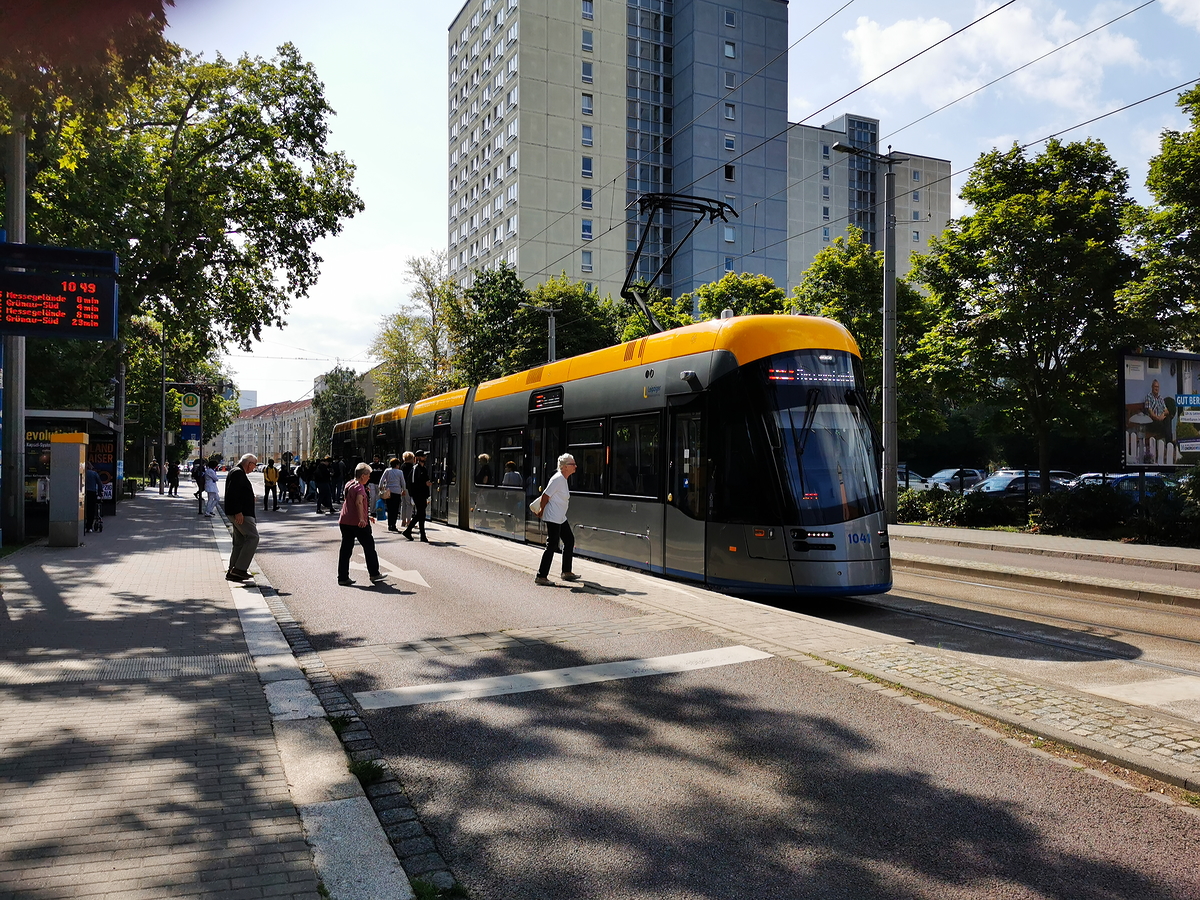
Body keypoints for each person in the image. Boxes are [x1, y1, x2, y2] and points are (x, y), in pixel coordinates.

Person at [534, 453, 579, 585]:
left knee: (569, 540)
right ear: (564, 467)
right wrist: (541, 511)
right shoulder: (558, 479)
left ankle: (566, 572)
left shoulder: (563, 479)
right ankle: (541, 576)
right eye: (572, 464)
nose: (575, 466)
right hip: (553, 517)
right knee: (552, 545)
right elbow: (545, 495)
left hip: (560, 517)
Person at [338, 462, 385, 586]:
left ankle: (342, 577)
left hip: (345, 521)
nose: (369, 477)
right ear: (363, 475)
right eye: (368, 475)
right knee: (369, 547)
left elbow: (351, 503)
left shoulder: (349, 484)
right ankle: (374, 574)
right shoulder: (359, 487)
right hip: (358, 524)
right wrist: (362, 519)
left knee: (346, 550)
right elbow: (359, 502)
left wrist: (366, 515)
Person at [224, 454, 259, 582]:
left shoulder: (236, 472)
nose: (254, 468)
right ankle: (239, 569)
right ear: (249, 463)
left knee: (239, 542)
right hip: (241, 514)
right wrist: (238, 511)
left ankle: (232, 571)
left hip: (240, 512)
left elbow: (239, 491)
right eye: (254, 465)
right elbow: (233, 493)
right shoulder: (238, 473)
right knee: (253, 537)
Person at [402, 450, 430, 542]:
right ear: (418, 458)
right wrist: (424, 484)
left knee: (421, 514)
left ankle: (413, 532)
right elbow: (413, 483)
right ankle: (420, 534)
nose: (425, 458)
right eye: (423, 456)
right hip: (418, 494)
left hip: (423, 495)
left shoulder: (424, 469)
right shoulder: (415, 469)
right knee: (421, 514)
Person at [379, 457, 408, 532]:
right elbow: (403, 482)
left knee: (389, 508)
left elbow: (382, 479)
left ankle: (389, 524)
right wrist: (404, 490)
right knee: (395, 509)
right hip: (397, 492)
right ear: (397, 465)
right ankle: (393, 525)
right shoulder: (400, 472)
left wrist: (381, 487)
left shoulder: (387, 471)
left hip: (389, 491)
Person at [399, 451, 416, 528]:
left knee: (403, 504)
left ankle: (403, 521)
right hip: (409, 487)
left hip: (402, 487)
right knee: (409, 504)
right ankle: (409, 521)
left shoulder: (402, 466)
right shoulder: (412, 467)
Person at [84, 461, 101, 533]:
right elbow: (100, 483)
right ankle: (89, 527)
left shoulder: (83, 473)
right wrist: (100, 492)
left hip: (83, 493)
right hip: (92, 493)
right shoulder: (94, 474)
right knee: (91, 510)